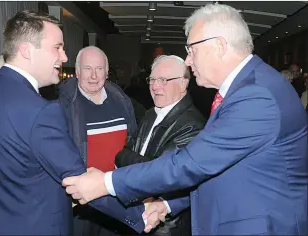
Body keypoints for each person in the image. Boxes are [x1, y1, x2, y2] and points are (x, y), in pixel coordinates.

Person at [63, 3, 308, 235]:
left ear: (219, 46)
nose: (188, 61)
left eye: (192, 50)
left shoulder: (256, 96)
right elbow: (215, 167)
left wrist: (106, 182)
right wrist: (168, 205)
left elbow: (190, 164)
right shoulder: (246, 89)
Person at [0, 10, 161, 235]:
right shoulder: (41, 113)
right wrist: (141, 214)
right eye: (57, 47)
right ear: (27, 51)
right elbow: (79, 182)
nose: (64, 57)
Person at [115, 55, 206, 236]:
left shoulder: (193, 125)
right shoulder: (150, 114)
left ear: (183, 84)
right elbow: (126, 154)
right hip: (139, 217)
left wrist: (125, 159)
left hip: (167, 227)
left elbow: (160, 178)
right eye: (153, 79)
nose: (155, 86)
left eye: (164, 80)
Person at [58, 46, 138, 236]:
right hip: (82, 205)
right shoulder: (63, 106)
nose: (94, 75)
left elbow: (133, 141)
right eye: (87, 69)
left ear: (107, 72)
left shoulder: (122, 101)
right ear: (77, 72)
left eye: (99, 69)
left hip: (117, 198)